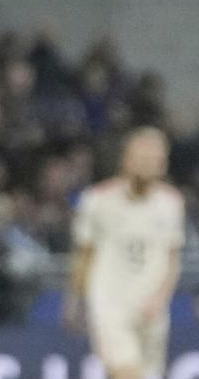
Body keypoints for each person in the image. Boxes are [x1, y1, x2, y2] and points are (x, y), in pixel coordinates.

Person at [65, 126, 185, 379]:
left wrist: (161, 298)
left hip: (151, 310)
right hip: (110, 304)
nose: (149, 164)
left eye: (156, 159)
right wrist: (75, 298)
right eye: (143, 158)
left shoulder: (171, 203)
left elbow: (173, 259)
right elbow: (85, 254)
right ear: (126, 159)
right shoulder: (98, 200)